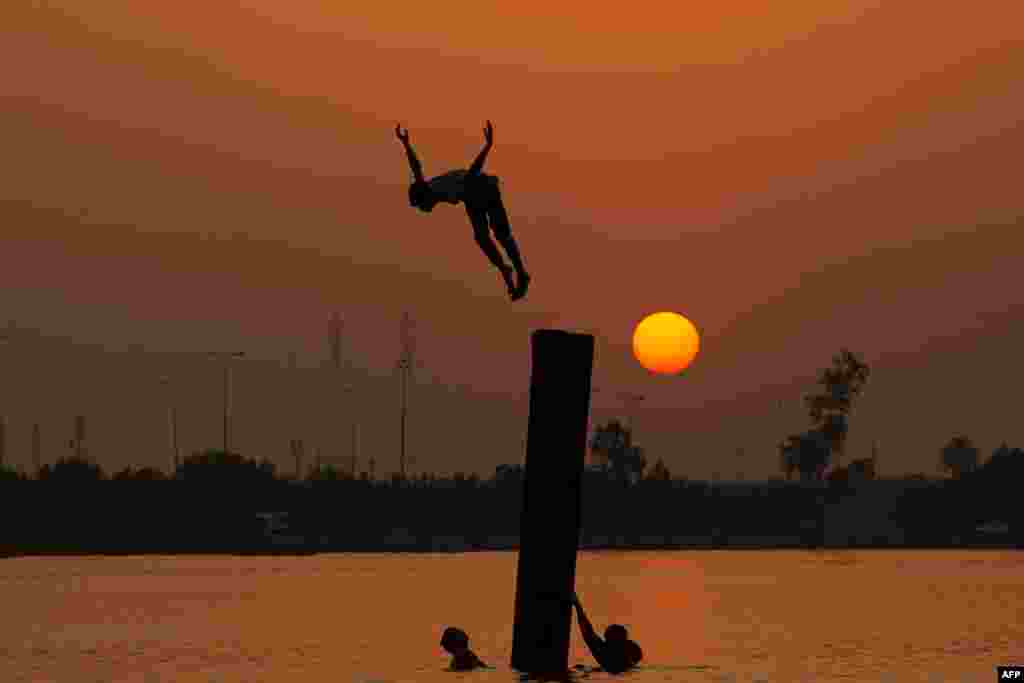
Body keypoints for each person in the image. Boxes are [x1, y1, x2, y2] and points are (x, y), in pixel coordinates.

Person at [395, 120, 531, 301]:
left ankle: (521, 272)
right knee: (481, 238)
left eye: (422, 206)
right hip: (471, 199)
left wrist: (487, 147)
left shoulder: (440, 190)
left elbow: (473, 172)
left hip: (484, 188)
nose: (425, 210)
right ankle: (505, 270)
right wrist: (406, 143)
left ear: (425, 198)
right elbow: (415, 166)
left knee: (500, 234)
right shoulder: (427, 187)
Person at [570, 592, 642, 674]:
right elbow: (589, 633)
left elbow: (588, 633)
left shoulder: (606, 654)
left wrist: (578, 606)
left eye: (607, 638)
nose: (605, 640)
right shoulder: (629, 651)